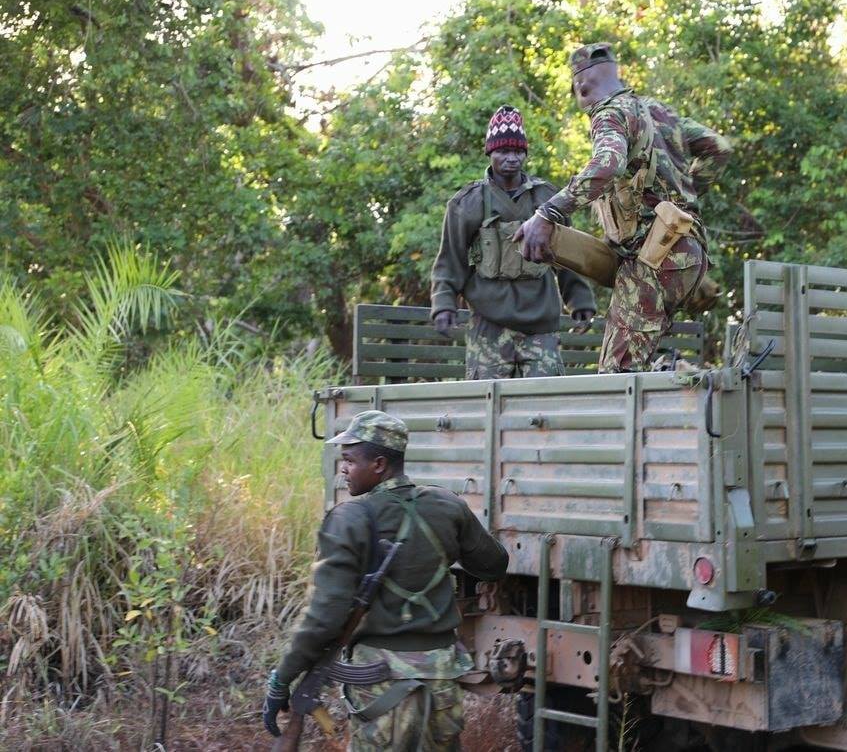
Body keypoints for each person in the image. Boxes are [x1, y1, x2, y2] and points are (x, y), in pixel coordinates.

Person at [263, 411, 508, 751]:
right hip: (440, 681)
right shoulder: (448, 505)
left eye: (349, 460)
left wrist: (282, 677)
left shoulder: (349, 517)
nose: (343, 469)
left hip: (379, 684)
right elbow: (494, 564)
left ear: (379, 464)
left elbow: (323, 616)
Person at [514, 43, 731, 373]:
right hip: (689, 257)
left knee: (616, 379)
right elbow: (719, 148)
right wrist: (684, 196)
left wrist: (548, 213)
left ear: (582, 87)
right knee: (635, 370)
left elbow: (608, 165)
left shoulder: (609, 114)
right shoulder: (660, 113)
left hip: (655, 262)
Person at [430, 105, 596, 379]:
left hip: (540, 325)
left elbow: (568, 258)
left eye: (518, 152)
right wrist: (444, 305)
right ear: (490, 153)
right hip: (488, 325)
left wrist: (580, 301)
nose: (511, 159)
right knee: (488, 408)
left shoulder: (547, 198)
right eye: (503, 152)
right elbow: (450, 260)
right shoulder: (467, 203)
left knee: (542, 409)